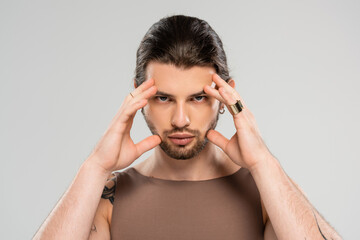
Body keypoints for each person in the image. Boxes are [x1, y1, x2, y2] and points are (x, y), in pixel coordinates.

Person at [33, 15, 341, 240]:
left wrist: (262, 162)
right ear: (139, 95)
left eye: (197, 98)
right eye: (164, 98)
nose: (181, 119)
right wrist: (95, 166)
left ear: (225, 96)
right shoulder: (107, 197)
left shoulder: (267, 190)